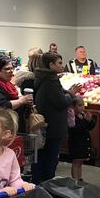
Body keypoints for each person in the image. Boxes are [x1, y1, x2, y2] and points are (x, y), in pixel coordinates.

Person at [32, 52, 82, 184]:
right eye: (59, 63)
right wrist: (71, 95)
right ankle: (46, 188)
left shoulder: (42, 78)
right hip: (53, 125)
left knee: (41, 158)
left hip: (46, 124)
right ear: (51, 65)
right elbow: (60, 102)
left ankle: (39, 185)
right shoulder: (51, 81)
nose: (62, 65)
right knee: (50, 160)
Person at [68, 96, 96, 181]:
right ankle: (75, 180)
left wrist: (90, 120)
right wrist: (85, 121)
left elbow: (89, 127)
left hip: (83, 141)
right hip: (76, 142)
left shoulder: (82, 115)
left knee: (80, 162)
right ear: (73, 107)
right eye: (80, 105)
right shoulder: (71, 117)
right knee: (76, 162)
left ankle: (79, 179)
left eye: (83, 105)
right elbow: (75, 129)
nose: (82, 107)